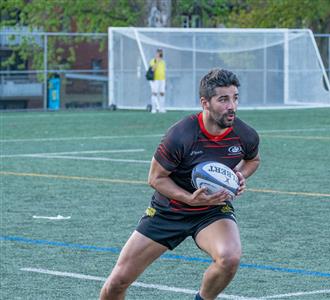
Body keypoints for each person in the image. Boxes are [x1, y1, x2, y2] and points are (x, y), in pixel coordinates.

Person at [100, 68, 260, 300]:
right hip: (168, 212)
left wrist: (239, 174)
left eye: (235, 98)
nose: (232, 106)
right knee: (117, 282)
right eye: (223, 99)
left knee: (229, 258)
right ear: (205, 102)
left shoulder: (245, 135)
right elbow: (155, 178)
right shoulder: (181, 135)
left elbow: (253, 159)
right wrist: (189, 198)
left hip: (212, 212)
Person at [149, 48, 166, 113]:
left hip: (162, 79)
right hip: (155, 79)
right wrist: (157, 61)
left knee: (162, 93)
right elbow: (152, 69)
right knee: (154, 93)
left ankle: (162, 108)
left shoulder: (163, 62)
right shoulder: (153, 61)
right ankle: (154, 109)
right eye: (159, 52)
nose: (160, 54)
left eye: (161, 52)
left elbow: (163, 71)